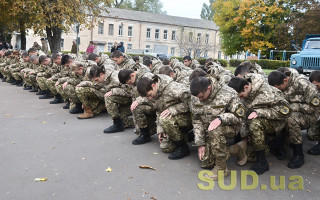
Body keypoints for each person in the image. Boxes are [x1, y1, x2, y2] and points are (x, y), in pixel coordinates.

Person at [228, 74, 291, 175]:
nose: (240, 99)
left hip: (276, 123)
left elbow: (286, 112)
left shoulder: (268, 92)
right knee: (250, 156)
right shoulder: (246, 94)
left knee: (255, 123)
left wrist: (260, 112)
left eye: (241, 96)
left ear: (246, 87)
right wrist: (244, 138)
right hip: (258, 122)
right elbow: (244, 116)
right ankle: (266, 146)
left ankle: (262, 162)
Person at [190, 76, 245, 180]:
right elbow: (196, 120)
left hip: (229, 127)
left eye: (201, 96)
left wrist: (221, 119)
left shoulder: (228, 93)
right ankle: (237, 149)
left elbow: (240, 116)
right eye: (198, 97)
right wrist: (200, 143)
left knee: (215, 130)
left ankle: (222, 169)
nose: (199, 99)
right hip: (209, 130)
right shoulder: (196, 96)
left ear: (209, 88)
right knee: (206, 163)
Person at [268, 71, 320, 169]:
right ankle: (279, 145)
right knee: (278, 115)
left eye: (279, 88)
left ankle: (298, 155)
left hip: (309, 115)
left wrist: (295, 106)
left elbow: (314, 108)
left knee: (291, 119)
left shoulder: (304, 85)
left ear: (285, 81)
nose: (278, 91)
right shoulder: (278, 86)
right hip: (290, 112)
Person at [137, 75, 193, 160]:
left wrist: (173, 109)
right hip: (174, 118)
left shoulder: (174, 89)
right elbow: (159, 111)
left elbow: (192, 104)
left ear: (153, 85)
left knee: (165, 119)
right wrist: (160, 129)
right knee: (166, 148)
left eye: (150, 95)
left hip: (189, 117)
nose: (150, 98)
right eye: (147, 97)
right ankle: (188, 136)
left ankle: (182, 147)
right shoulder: (155, 93)